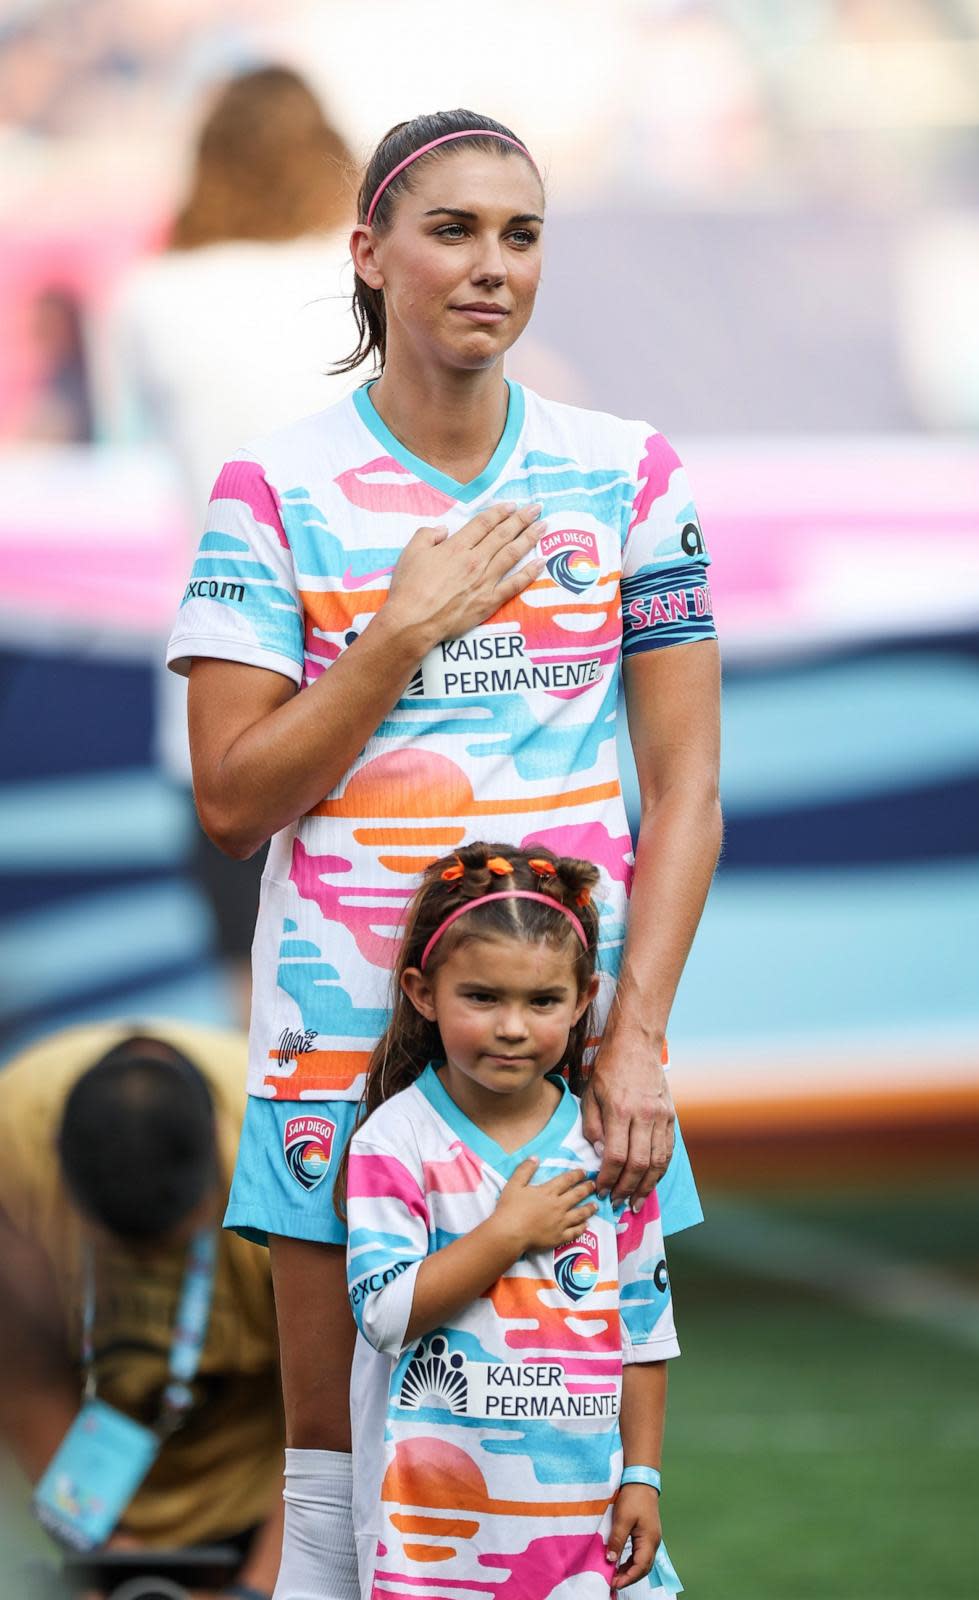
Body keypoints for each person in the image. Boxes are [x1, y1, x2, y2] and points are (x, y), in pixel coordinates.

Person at [167, 107, 721, 1600]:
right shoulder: (270, 491)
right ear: (369, 253)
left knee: (578, 1478)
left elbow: (684, 792)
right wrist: (400, 634)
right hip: (333, 1052)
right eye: (453, 229)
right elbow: (230, 801)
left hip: (561, 1052)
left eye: (521, 234)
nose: (492, 266)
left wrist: (636, 1040)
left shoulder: (626, 476)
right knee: (337, 1489)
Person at [96, 65, 362, 1018]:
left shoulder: (147, 299)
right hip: (377, 656)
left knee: (249, 1001)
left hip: (224, 669)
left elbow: (127, 436)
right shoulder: (369, 277)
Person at [345, 842, 681, 1596]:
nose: (512, 1027)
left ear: (583, 998)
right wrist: (506, 1235)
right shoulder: (394, 1143)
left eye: (541, 1002)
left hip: (582, 1531)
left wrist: (643, 1476)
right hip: (434, 1534)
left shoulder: (609, 1147)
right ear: (422, 992)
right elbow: (384, 1315)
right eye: (482, 997)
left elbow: (644, 1328)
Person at [0, 1022, 285, 1599]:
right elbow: (24, 1373)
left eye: (170, 1246)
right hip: (87, 1506)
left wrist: (255, 1590)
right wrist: (98, 1554)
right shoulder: (13, 1145)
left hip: (266, 1503)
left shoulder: (288, 1160)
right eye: (121, 1250)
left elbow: (336, 1420)